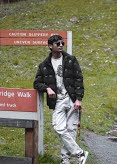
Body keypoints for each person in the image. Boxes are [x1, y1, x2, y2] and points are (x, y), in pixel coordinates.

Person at [33, 35, 88, 164]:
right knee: (58, 127)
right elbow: (36, 83)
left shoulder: (70, 60)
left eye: (62, 43)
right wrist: (47, 88)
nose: (61, 45)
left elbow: (79, 79)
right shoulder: (44, 65)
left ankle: (65, 160)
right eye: (57, 43)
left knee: (71, 130)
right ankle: (80, 153)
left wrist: (78, 99)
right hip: (57, 101)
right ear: (50, 46)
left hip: (71, 98)